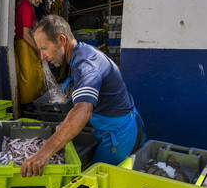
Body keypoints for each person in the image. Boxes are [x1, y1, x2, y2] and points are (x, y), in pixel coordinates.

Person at [20, 15, 147, 177]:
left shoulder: (84, 65)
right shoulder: (81, 50)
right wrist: (65, 125)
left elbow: (83, 110)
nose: (42, 56)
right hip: (126, 123)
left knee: (98, 185)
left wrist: (42, 154)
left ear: (61, 40)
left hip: (119, 136)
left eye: (44, 49)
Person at [14, 0, 45, 104]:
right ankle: (28, 104)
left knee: (32, 77)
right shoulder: (26, 7)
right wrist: (39, 50)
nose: (40, 1)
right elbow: (26, 35)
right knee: (28, 78)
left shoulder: (28, 5)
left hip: (26, 45)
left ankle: (33, 101)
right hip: (24, 46)